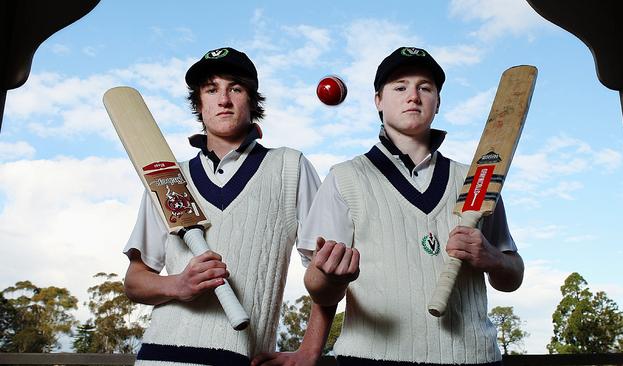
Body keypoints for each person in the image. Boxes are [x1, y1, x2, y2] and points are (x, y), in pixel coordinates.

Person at [299, 46, 525, 366]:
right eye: (400, 86)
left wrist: (491, 258)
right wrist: (327, 275)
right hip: (370, 358)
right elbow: (319, 290)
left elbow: (512, 276)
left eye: (425, 87)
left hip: (473, 358)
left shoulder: (477, 178)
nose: (413, 96)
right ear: (378, 100)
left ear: (438, 102)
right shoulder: (344, 177)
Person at [123, 47, 331, 366]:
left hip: (241, 358)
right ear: (199, 103)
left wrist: (311, 349)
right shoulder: (168, 178)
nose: (223, 99)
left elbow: (329, 268)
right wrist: (178, 284)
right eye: (211, 89)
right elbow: (136, 280)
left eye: (235, 88)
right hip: (159, 356)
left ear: (251, 99)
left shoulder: (290, 166)